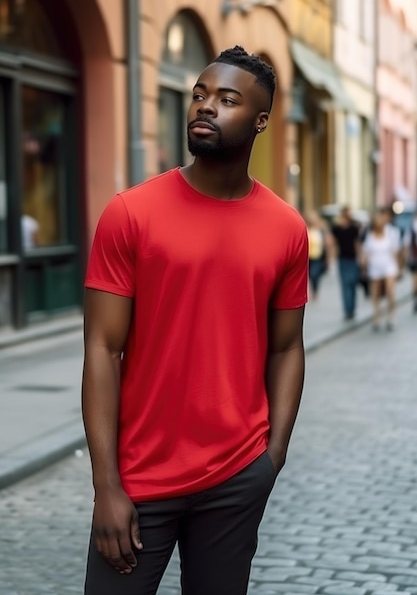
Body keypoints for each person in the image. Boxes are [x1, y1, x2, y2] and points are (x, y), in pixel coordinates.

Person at [82, 45, 309, 595]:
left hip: (236, 476)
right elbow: (101, 350)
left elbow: (287, 349)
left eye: (226, 100)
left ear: (260, 121)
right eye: (200, 95)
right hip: (140, 480)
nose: (205, 107)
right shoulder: (130, 213)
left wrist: (270, 457)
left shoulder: (286, 228)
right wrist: (106, 485)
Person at [361, 209, 401, 331]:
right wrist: (363, 264)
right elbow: (366, 252)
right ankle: (377, 317)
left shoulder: (391, 233)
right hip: (375, 267)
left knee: (390, 291)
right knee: (376, 294)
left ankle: (390, 316)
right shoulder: (370, 235)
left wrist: (398, 267)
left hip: (389, 265)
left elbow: (395, 251)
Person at [331, 205, 361, 320]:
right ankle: (348, 310)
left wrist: (360, 257)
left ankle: (352, 308)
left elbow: (357, 243)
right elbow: (332, 242)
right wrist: (332, 256)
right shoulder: (337, 229)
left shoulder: (354, 228)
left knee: (352, 283)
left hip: (352, 259)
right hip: (342, 259)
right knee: (345, 285)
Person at [305, 210, 330, 301]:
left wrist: (327, 258)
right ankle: (312, 291)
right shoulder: (306, 229)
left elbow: (326, 244)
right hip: (308, 257)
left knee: (315, 274)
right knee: (310, 275)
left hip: (318, 256)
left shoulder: (320, 231)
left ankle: (315, 291)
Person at [404, 211, 417, 313]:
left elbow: (406, 244)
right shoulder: (411, 228)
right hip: (414, 257)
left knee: (415, 280)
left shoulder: (411, 228)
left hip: (414, 257)